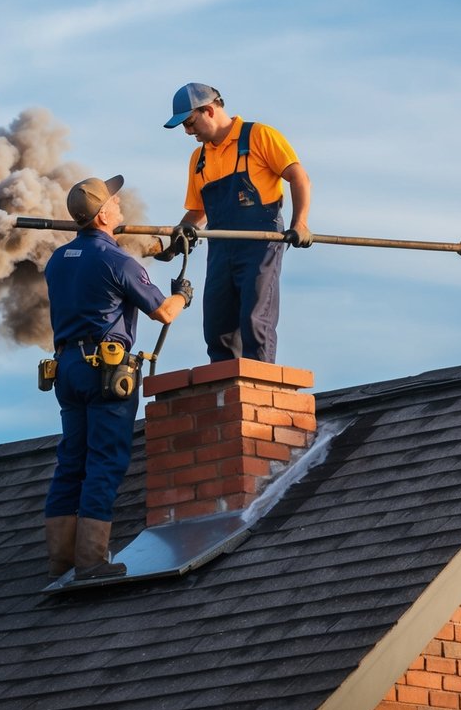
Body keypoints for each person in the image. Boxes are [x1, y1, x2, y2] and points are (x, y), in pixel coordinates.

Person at [43, 175, 193, 580]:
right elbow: (163, 312)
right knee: (105, 461)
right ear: (103, 213)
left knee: (71, 461)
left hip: (67, 369)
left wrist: (159, 249)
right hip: (105, 371)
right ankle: (91, 561)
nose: (120, 201)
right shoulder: (117, 261)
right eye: (113, 199)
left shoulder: (57, 261)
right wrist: (182, 293)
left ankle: (60, 560)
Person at [161, 83, 311, 364]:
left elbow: (298, 177)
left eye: (190, 123)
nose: (188, 132)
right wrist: (173, 242)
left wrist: (299, 223)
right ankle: (224, 397)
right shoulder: (199, 159)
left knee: (255, 321)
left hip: (260, 244)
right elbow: (197, 213)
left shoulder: (258, 136)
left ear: (208, 110)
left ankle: (260, 391)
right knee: (218, 329)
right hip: (220, 250)